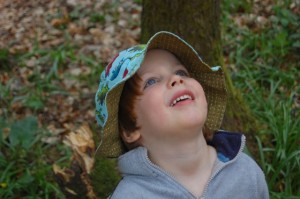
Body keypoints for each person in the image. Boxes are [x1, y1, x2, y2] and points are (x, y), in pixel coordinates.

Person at [95, 31, 269, 198]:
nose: (176, 79)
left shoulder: (246, 174)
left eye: (181, 72)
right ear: (129, 129)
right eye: (151, 81)